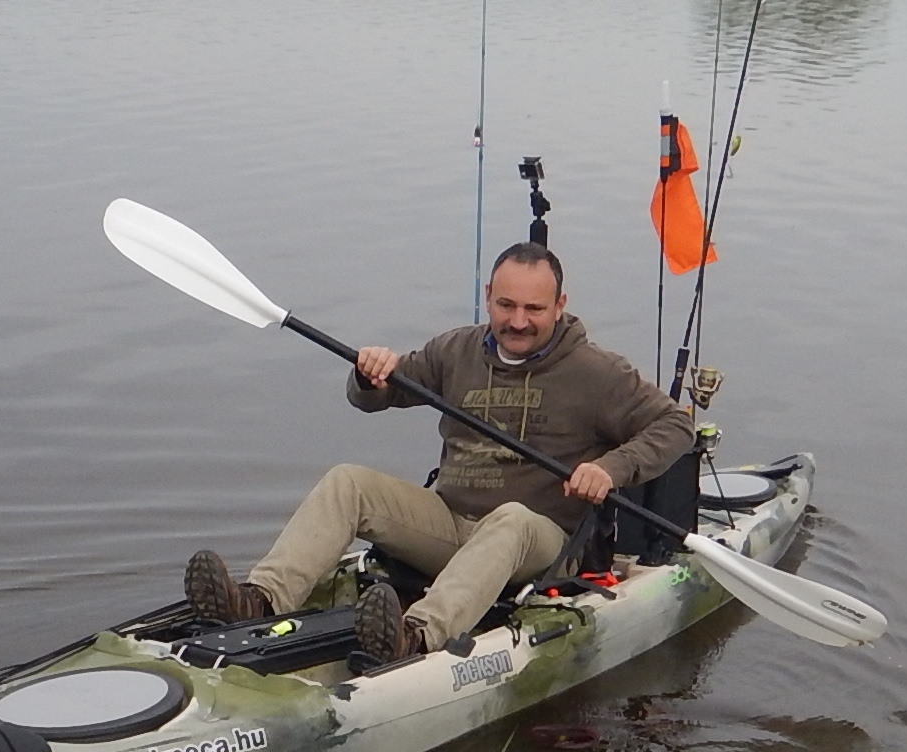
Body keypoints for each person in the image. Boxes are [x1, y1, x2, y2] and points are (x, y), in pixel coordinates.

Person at [186, 242, 695, 666]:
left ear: (560, 305)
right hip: (450, 524)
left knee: (512, 518)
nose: (517, 321)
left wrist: (611, 468)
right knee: (349, 480)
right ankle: (258, 600)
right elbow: (379, 395)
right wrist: (370, 374)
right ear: (488, 297)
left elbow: (676, 425)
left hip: (544, 542)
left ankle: (415, 636)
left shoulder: (596, 372)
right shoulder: (456, 351)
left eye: (534, 309)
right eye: (505, 306)